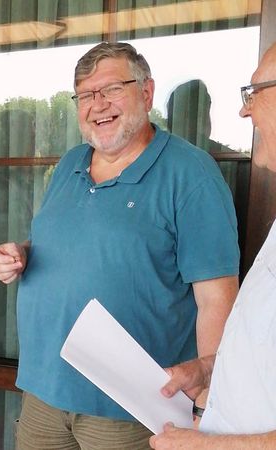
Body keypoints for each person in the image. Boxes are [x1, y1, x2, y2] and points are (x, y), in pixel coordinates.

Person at [0, 42, 240, 449]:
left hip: (130, 408)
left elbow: (217, 298)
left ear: (147, 92)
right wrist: (19, 254)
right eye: (86, 95)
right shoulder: (71, 163)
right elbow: (61, 241)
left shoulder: (191, 174)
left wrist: (208, 396)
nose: (98, 104)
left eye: (112, 89)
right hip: (43, 390)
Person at [150, 42, 276, 450]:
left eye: (255, 92)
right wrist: (210, 371)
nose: (244, 110)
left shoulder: (195, 174)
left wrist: (201, 445)